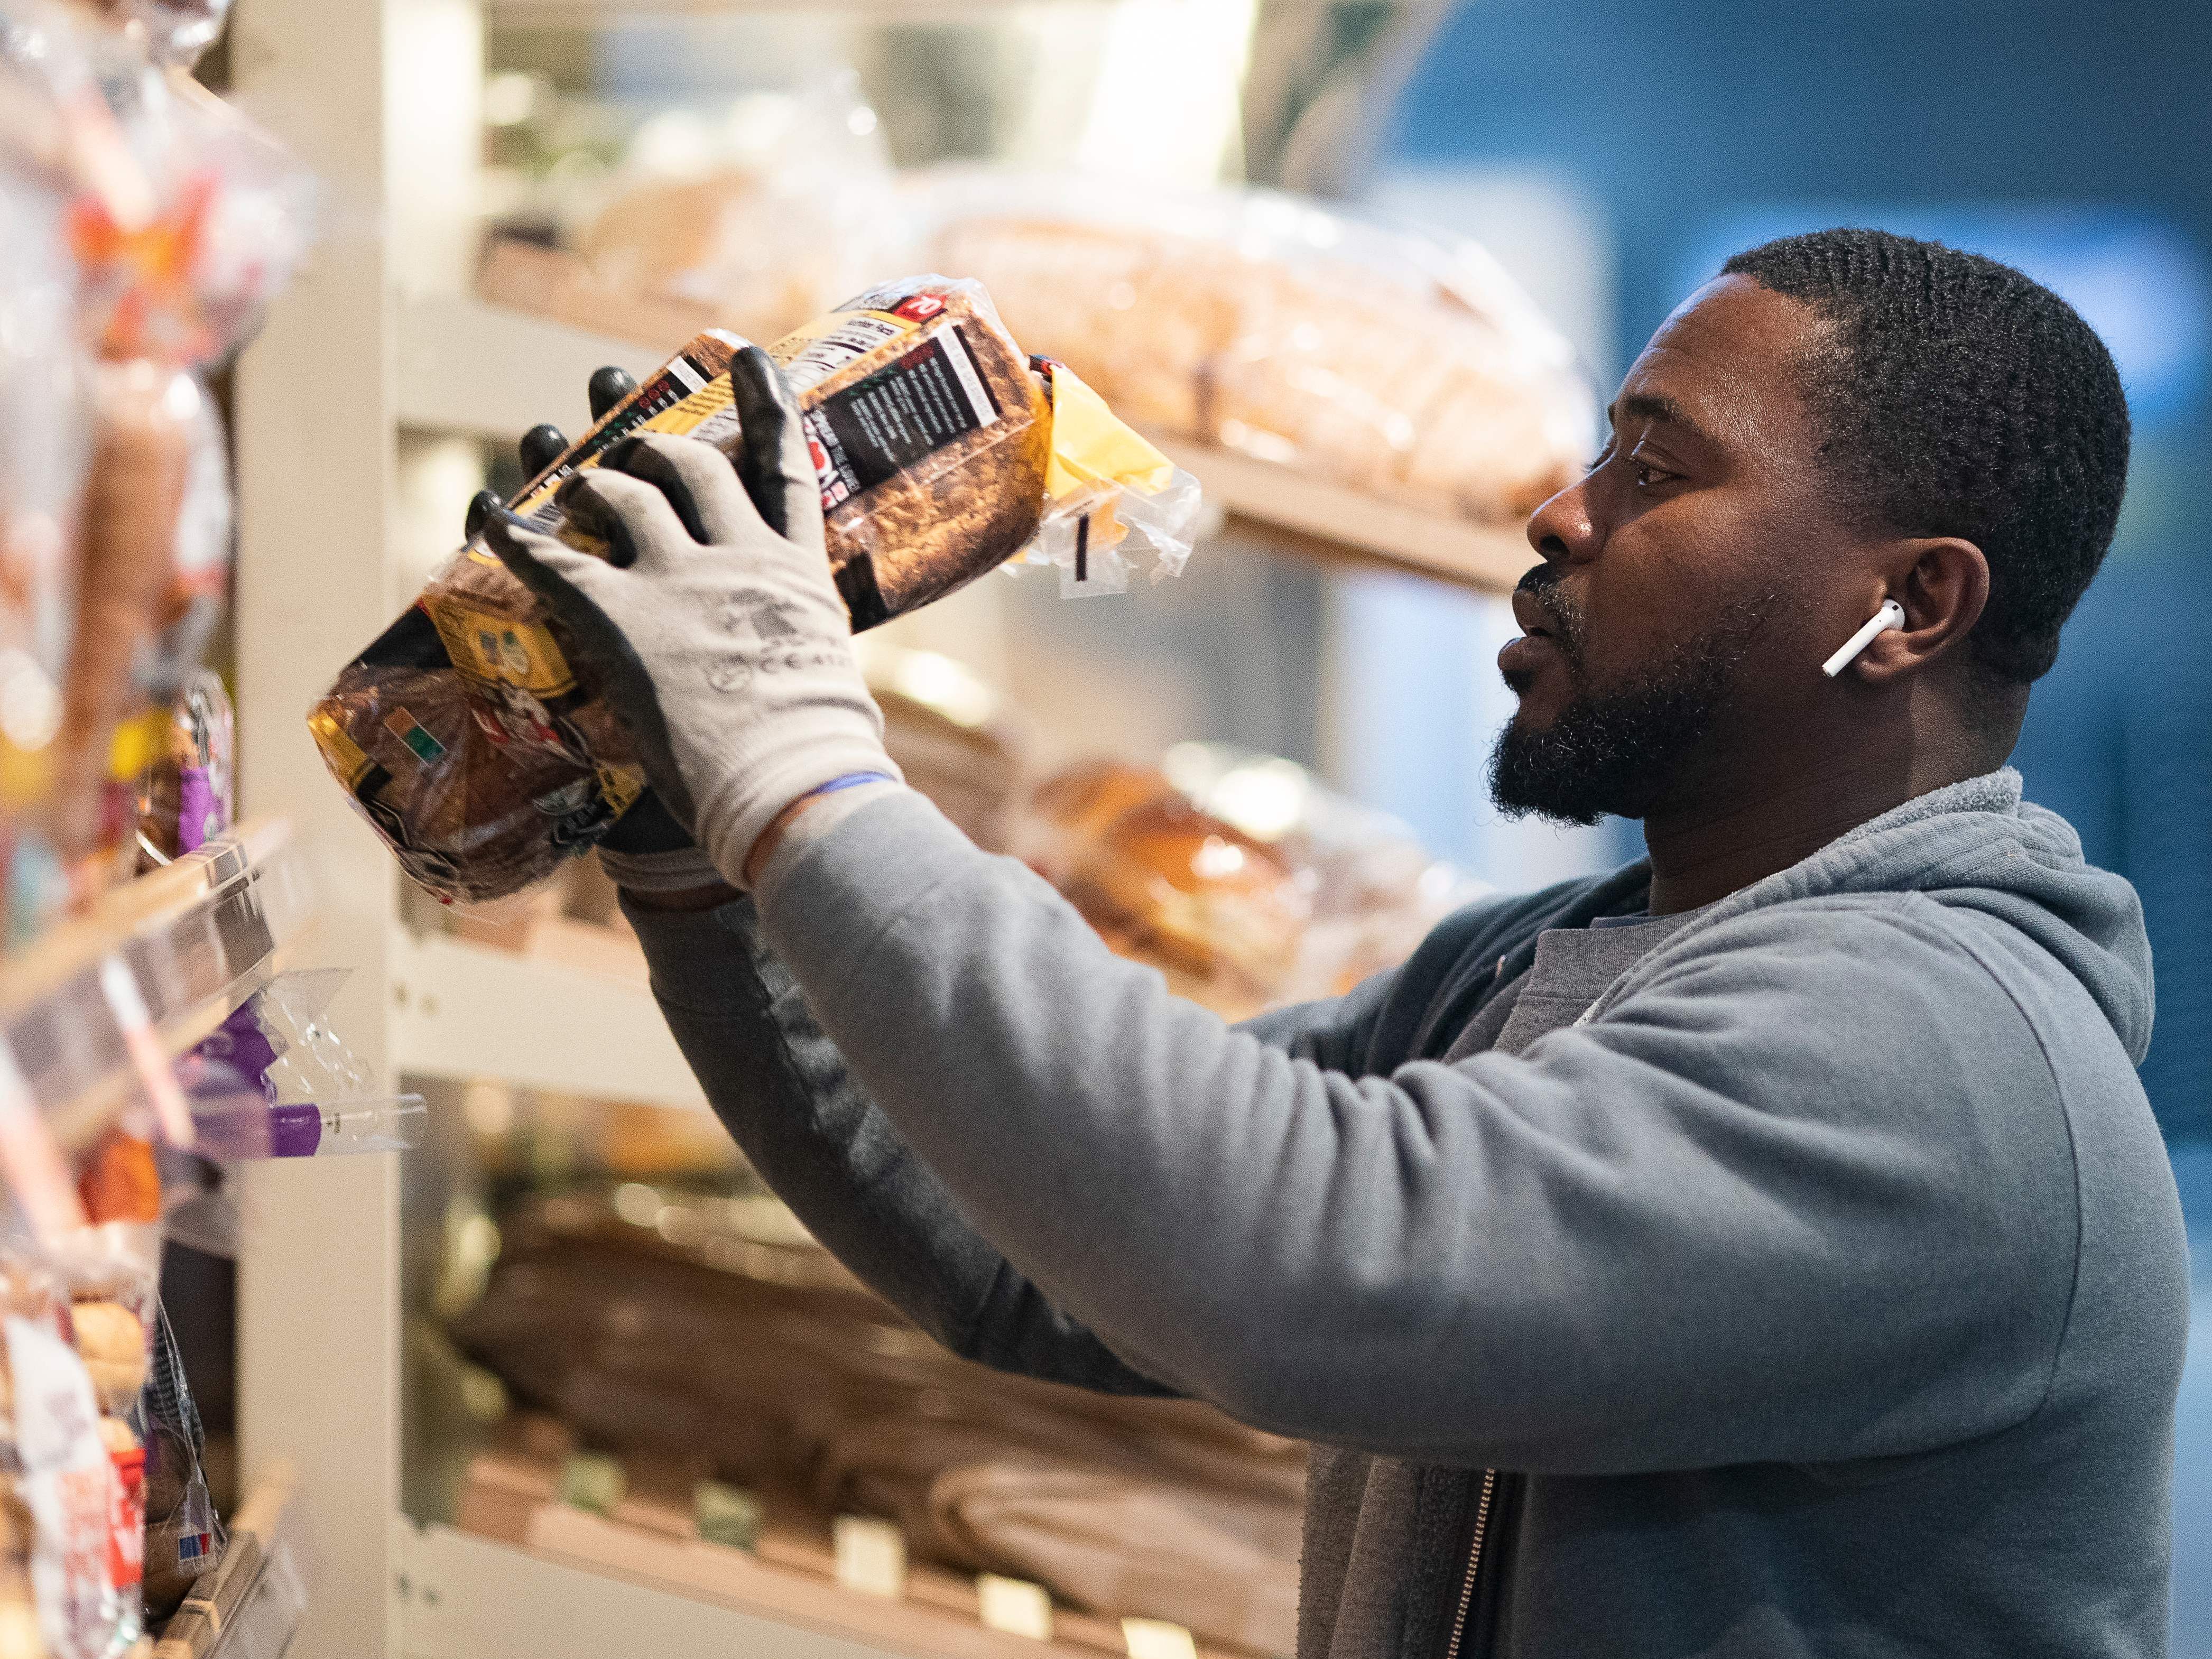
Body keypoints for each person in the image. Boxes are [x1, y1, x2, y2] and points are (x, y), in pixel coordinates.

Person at [479, 228, 2189, 1658]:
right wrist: (683, 832)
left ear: (1909, 608)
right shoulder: (1547, 965)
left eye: (1655, 471)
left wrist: (790, 747)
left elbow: (1302, 1260)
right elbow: (1039, 1249)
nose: (1561, 514)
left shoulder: (1946, 1057)